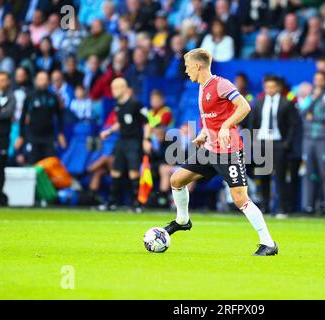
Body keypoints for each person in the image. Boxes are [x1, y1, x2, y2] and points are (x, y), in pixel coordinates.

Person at [164, 48, 278, 256]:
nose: (186, 71)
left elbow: (244, 107)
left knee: (240, 199)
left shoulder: (221, 84)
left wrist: (226, 127)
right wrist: (205, 133)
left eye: (188, 66)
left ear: (198, 66)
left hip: (229, 151)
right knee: (177, 180)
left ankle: (268, 243)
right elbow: (214, 117)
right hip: (210, 149)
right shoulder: (202, 87)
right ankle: (182, 220)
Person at [98, 78, 151, 213]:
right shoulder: (118, 105)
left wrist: (146, 139)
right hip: (122, 140)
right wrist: (109, 132)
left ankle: (137, 204)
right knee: (116, 171)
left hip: (134, 141)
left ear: (123, 88)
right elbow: (121, 123)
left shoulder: (136, 103)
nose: (113, 91)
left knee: (133, 172)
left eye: (115, 88)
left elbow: (147, 122)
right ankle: (111, 202)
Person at [251, 75, 298, 215]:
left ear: (278, 87)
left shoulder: (286, 103)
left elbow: (293, 125)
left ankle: (282, 208)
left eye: (272, 87)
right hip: (262, 142)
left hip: (278, 143)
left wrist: (286, 143)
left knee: (280, 177)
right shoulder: (259, 103)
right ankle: (265, 207)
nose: (269, 90)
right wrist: (254, 141)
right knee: (262, 176)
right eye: (267, 87)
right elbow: (253, 122)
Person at [299, 71, 325, 214]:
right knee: (308, 172)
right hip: (308, 138)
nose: (317, 81)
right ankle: (308, 205)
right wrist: (314, 100)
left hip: (324, 138)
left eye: (320, 79)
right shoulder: (311, 95)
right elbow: (302, 112)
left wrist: (313, 117)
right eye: (315, 79)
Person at [16, 71, 66, 164]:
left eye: (45, 79)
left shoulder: (53, 97)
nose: (43, 81)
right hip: (33, 136)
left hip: (49, 137)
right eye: (41, 79)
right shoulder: (30, 96)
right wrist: (21, 136)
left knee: (50, 163)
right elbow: (22, 118)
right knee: (34, 163)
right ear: (36, 81)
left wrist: (60, 133)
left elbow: (59, 117)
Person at [0, 71, 15, 206]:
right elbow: (1, 113)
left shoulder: (11, 96)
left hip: (2, 137)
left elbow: (7, 114)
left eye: (3, 80)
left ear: (8, 81)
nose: (0, 83)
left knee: (0, 167)